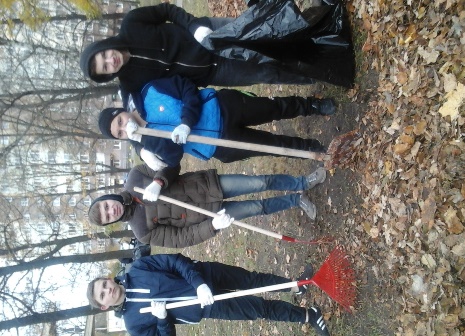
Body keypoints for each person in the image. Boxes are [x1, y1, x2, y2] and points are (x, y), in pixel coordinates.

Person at [79, 1, 354, 102]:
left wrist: (194, 25)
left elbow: (167, 10)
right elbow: (130, 113)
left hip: (211, 34)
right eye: (105, 68)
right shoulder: (131, 83)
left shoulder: (132, 24)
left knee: (265, 39)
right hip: (215, 71)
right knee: (266, 72)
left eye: (103, 56)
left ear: (105, 47)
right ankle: (317, 73)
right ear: (108, 75)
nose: (109, 61)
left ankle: (317, 37)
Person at [98, 75, 335, 167]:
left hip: (223, 107)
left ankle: (311, 105)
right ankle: (313, 150)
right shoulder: (147, 142)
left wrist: (186, 121)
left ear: (120, 111)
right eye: (119, 132)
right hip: (219, 146)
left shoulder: (149, 92)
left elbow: (186, 87)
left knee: (272, 108)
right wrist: (145, 140)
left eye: (118, 121)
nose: (123, 127)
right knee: (271, 146)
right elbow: (174, 157)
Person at [87, 163, 327, 248]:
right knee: (257, 208)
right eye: (108, 216)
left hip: (207, 186)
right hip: (210, 216)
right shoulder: (142, 231)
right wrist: (212, 226)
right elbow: (183, 239)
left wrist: (160, 180)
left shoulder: (135, 177)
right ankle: (296, 199)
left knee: (260, 181)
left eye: (106, 206)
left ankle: (303, 181)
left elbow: (171, 164)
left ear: (107, 198)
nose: (112, 210)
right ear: (113, 221)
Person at [87, 253, 331, 336]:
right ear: (104, 306)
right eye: (103, 295)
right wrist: (162, 319)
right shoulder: (133, 324)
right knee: (258, 308)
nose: (107, 290)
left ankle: (297, 286)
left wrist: (198, 283)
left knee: (253, 280)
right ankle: (308, 315)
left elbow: (174, 261)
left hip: (206, 275)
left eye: (104, 285)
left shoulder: (138, 269)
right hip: (208, 307)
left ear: (108, 279)